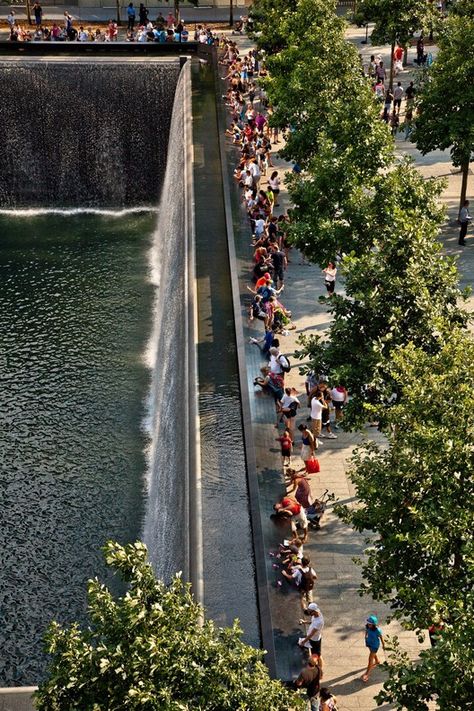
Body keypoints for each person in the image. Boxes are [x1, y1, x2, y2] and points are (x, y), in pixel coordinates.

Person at [362, 615, 385, 682]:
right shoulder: (367, 627)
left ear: (374, 624)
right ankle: (377, 661)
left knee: (370, 659)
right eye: (368, 623)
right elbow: (366, 631)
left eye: (370, 624)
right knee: (372, 654)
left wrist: (383, 644)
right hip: (369, 643)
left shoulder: (377, 630)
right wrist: (365, 637)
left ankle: (367, 674)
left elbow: (381, 637)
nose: (368, 625)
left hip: (375, 645)